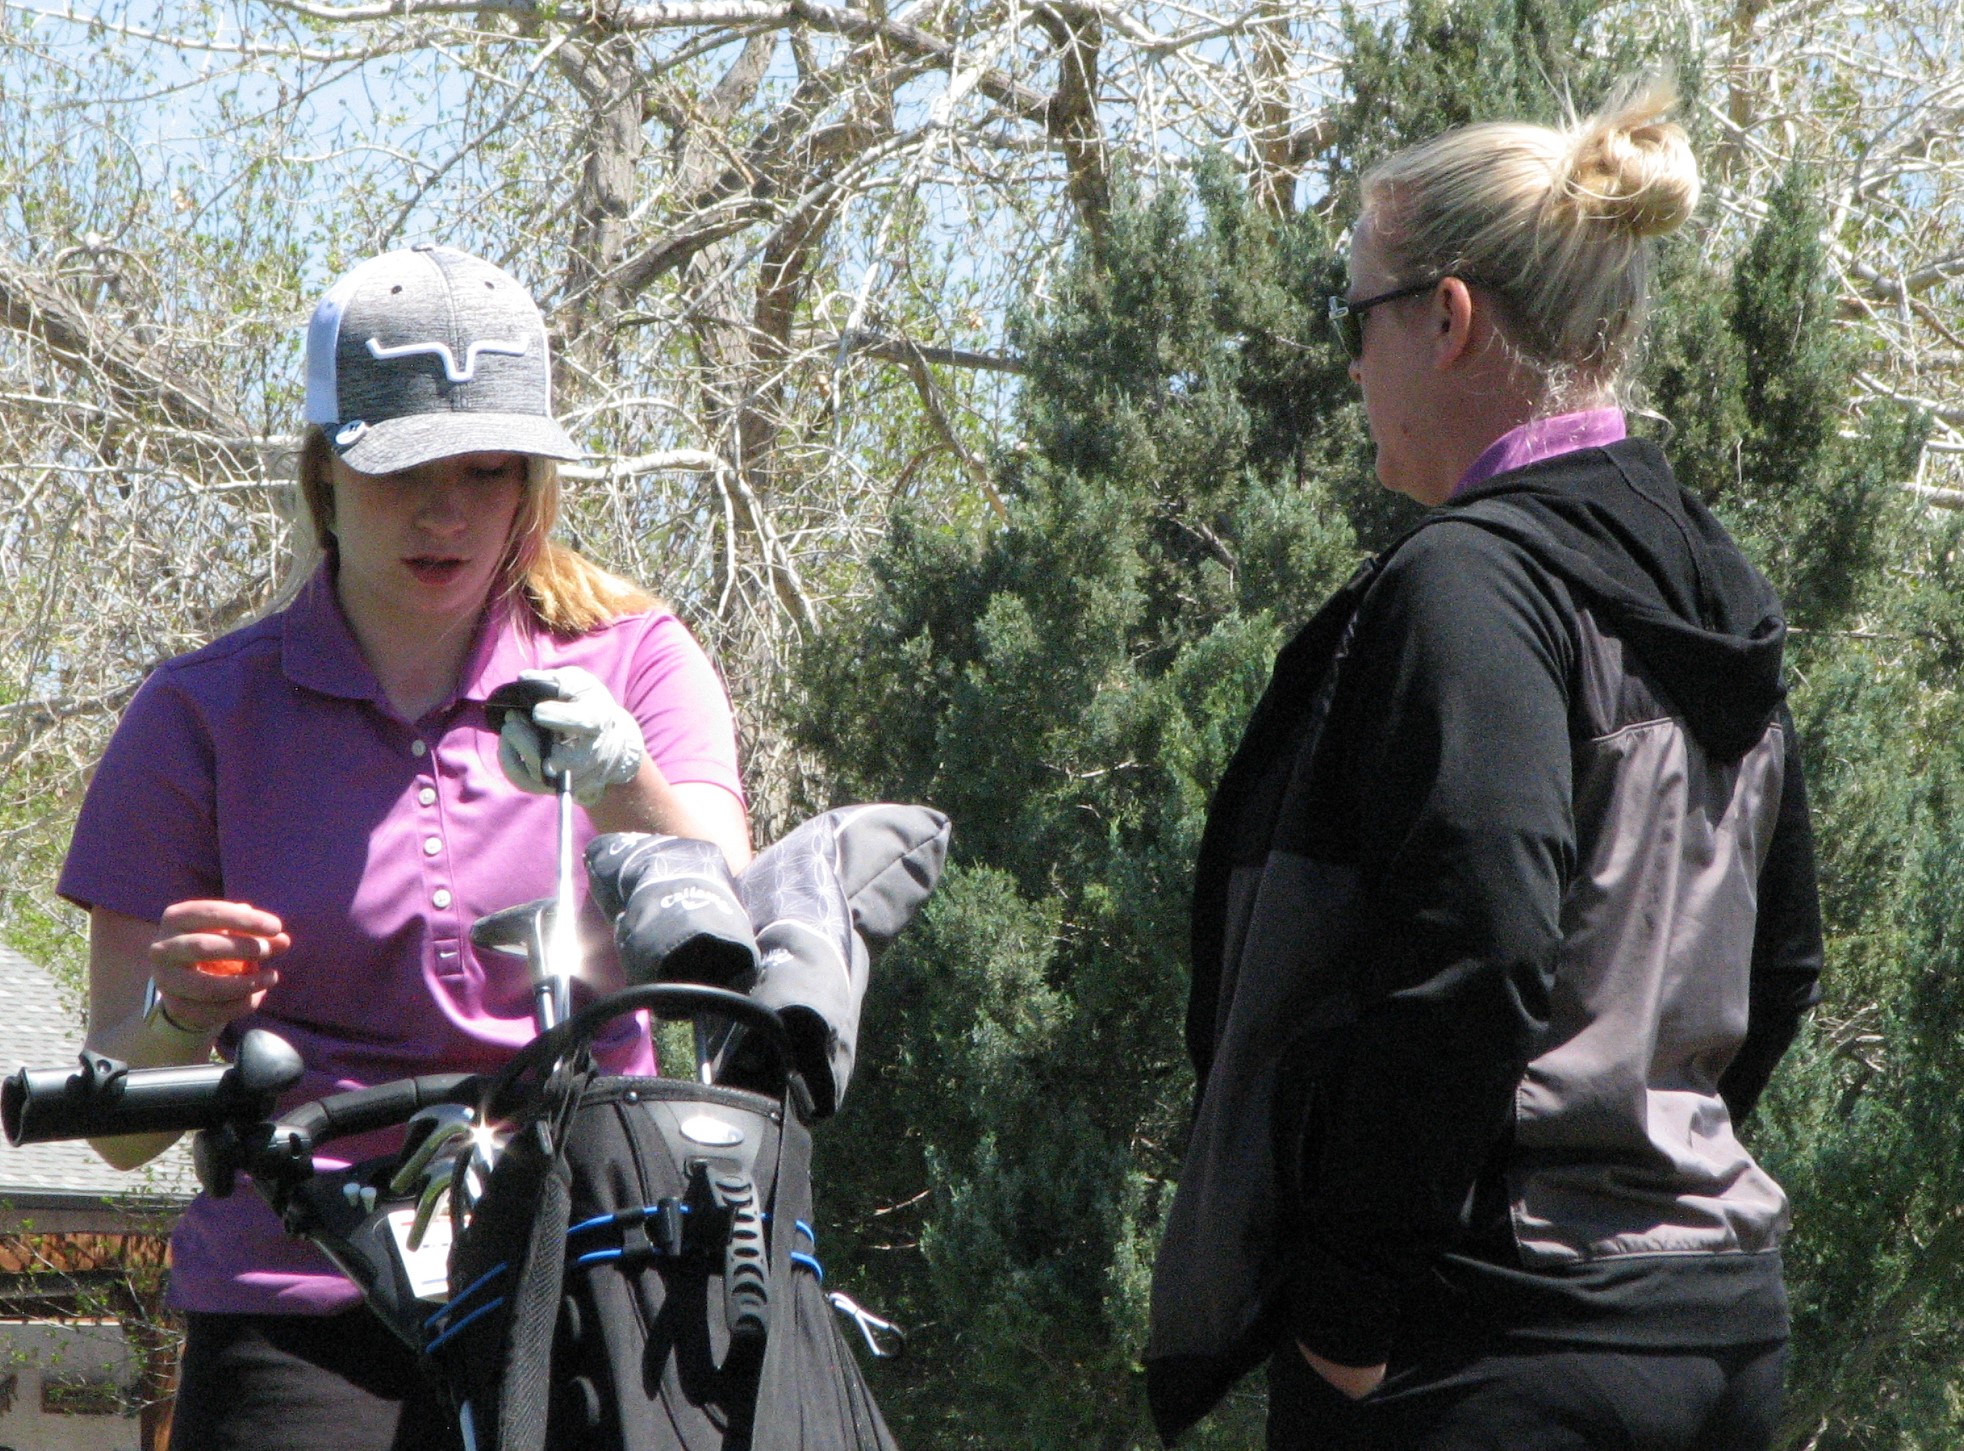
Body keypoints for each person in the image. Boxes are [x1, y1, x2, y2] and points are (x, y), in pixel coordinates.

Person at [1145, 80, 1824, 1450]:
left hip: (1498, 1345)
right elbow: (1785, 959)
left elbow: (1482, 945)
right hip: (1717, 1327)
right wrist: (1643, 1169)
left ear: (1447, 318)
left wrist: (1344, 1316)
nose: (1351, 367)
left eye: (1359, 315)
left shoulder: (1473, 585)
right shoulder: (1713, 584)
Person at [59, 244, 751, 1451]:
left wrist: (620, 777)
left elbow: (725, 921)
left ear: (533, 478)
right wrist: (177, 1012)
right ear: (322, 475)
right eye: (404, 472)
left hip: (597, 1273)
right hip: (300, 1312)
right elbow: (119, 1125)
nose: (447, 512)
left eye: (486, 470)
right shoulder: (200, 716)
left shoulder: (634, 660)